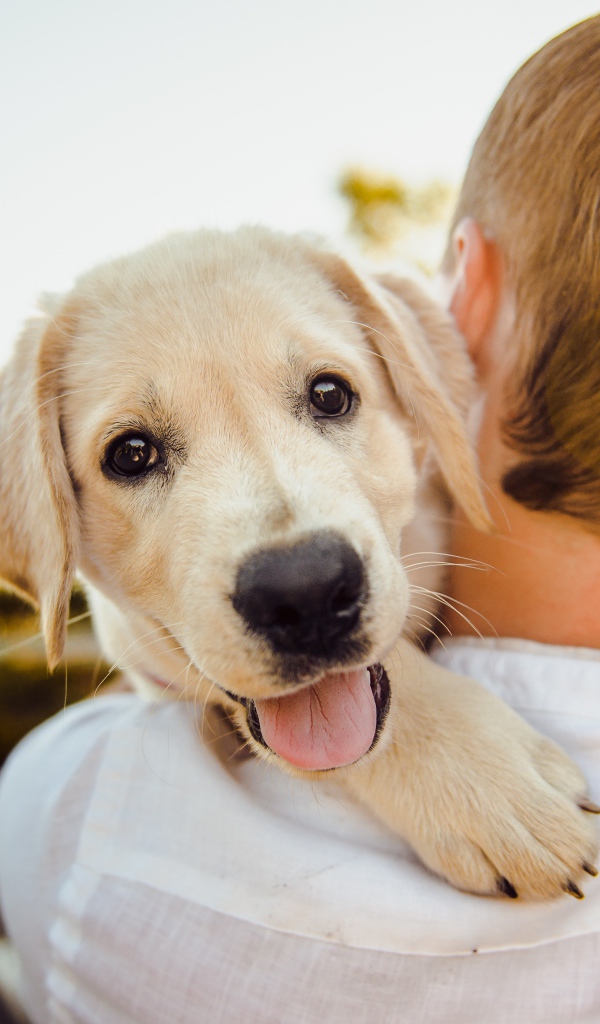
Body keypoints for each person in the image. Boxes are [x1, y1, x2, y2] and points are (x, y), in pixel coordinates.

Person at [1, 16, 600, 1023]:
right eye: (135, 454)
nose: (292, 559)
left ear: (423, 386)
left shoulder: (65, 819)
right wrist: (408, 725)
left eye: (328, 397)